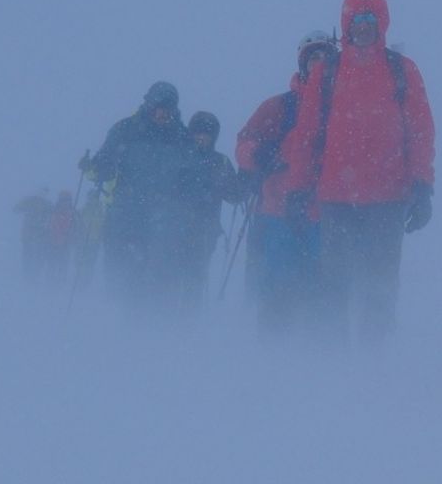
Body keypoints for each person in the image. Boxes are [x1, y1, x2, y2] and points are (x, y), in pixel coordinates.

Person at [282, 0, 436, 344]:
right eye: (356, 21)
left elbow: (421, 131)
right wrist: (296, 188)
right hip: (336, 197)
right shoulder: (328, 72)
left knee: (380, 283)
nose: (363, 28)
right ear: (345, 25)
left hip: (388, 198)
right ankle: (331, 352)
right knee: (334, 279)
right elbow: (307, 135)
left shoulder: (402, 70)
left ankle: (374, 355)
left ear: (381, 24)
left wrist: (423, 186)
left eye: (370, 21)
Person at [235, 30, 337, 336]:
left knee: (324, 290)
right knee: (278, 287)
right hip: (278, 213)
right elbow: (243, 145)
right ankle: (273, 355)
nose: (319, 64)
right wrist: (259, 155)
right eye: (313, 58)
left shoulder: (342, 109)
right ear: (303, 63)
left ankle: (318, 357)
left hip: (327, 215)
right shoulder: (278, 107)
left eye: (325, 58)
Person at [80, 81, 193, 311]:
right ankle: (117, 316)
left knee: (158, 271)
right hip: (124, 211)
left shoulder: (182, 137)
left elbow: (190, 175)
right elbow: (106, 164)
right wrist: (93, 168)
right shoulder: (125, 130)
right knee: (120, 268)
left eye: (168, 108)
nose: (163, 113)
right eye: (159, 107)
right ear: (149, 104)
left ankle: (151, 322)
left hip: (164, 215)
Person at [170, 111, 242, 315]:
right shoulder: (179, 157)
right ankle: (168, 313)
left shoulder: (220, 162)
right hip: (176, 226)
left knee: (196, 273)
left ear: (214, 137)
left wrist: (244, 181)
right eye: (198, 132)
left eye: (207, 134)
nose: (201, 137)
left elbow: (234, 196)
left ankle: (188, 316)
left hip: (205, 231)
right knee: (174, 272)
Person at [13, 189, 53, 286]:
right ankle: (29, 277)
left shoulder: (44, 204)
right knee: (31, 256)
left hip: (37, 236)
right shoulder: (36, 202)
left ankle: (31, 277)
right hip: (32, 235)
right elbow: (16, 209)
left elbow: (16, 209)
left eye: (44, 192)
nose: (43, 194)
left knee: (33, 256)